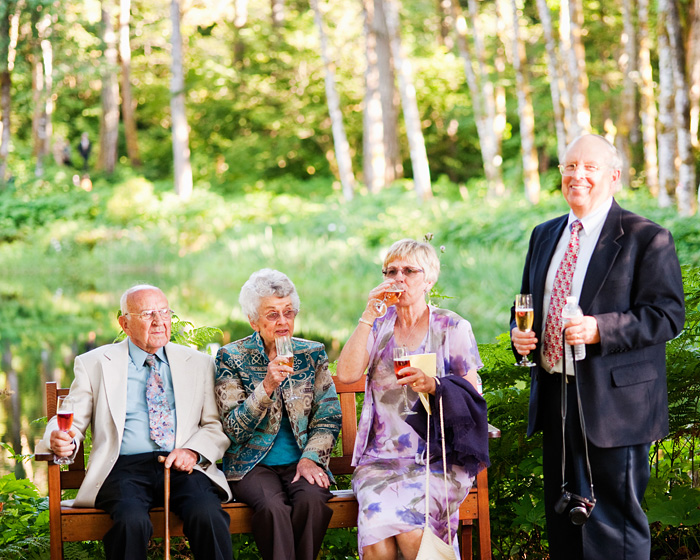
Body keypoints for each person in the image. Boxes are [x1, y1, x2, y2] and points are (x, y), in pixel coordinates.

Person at [510, 134, 685, 560]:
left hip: (617, 403)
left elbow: (667, 316)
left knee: (614, 524)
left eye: (589, 167)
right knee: (564, 515)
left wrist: (598, 329)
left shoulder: (647, 237)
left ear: (614, 176)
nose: (578, 176)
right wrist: (520, 340)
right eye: (570, 167)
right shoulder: (544, 234)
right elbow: (525, 304)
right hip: (556, 395)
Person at [39, 284, 233, 560]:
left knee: (208, 515)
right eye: (147, 314)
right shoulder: (96, 363)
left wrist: (192, 452)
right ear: (124, 323)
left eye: (165, 312)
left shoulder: (199, 363)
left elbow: (214, 426)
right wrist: (60, 438)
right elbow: (70, 419)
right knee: (131, 522)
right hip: (123, 469)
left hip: (181, 466)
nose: (159, 321)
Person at [336, 238, 488, 560]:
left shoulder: (452, 326)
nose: (398, 278)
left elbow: (473, 398)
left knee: (405, 528)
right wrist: (366, 316)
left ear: (429, 279)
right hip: (381, 460)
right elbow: (347, 374)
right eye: (391, 271)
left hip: (438, 458)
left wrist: (434, 385)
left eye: (409, 270)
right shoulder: (378, 326)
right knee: (377, 527)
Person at [215, 269, 342, 560]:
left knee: (313, 501)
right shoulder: (231, 357)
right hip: (251, 463)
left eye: (288, 312)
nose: (283, 322)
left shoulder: (312, 354)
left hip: (301, 458)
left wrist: (311, 459)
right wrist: (267, 385)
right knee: (273, 508)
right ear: (253, 320)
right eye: (272, 315)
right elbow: (233, 428)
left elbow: (329, 415)